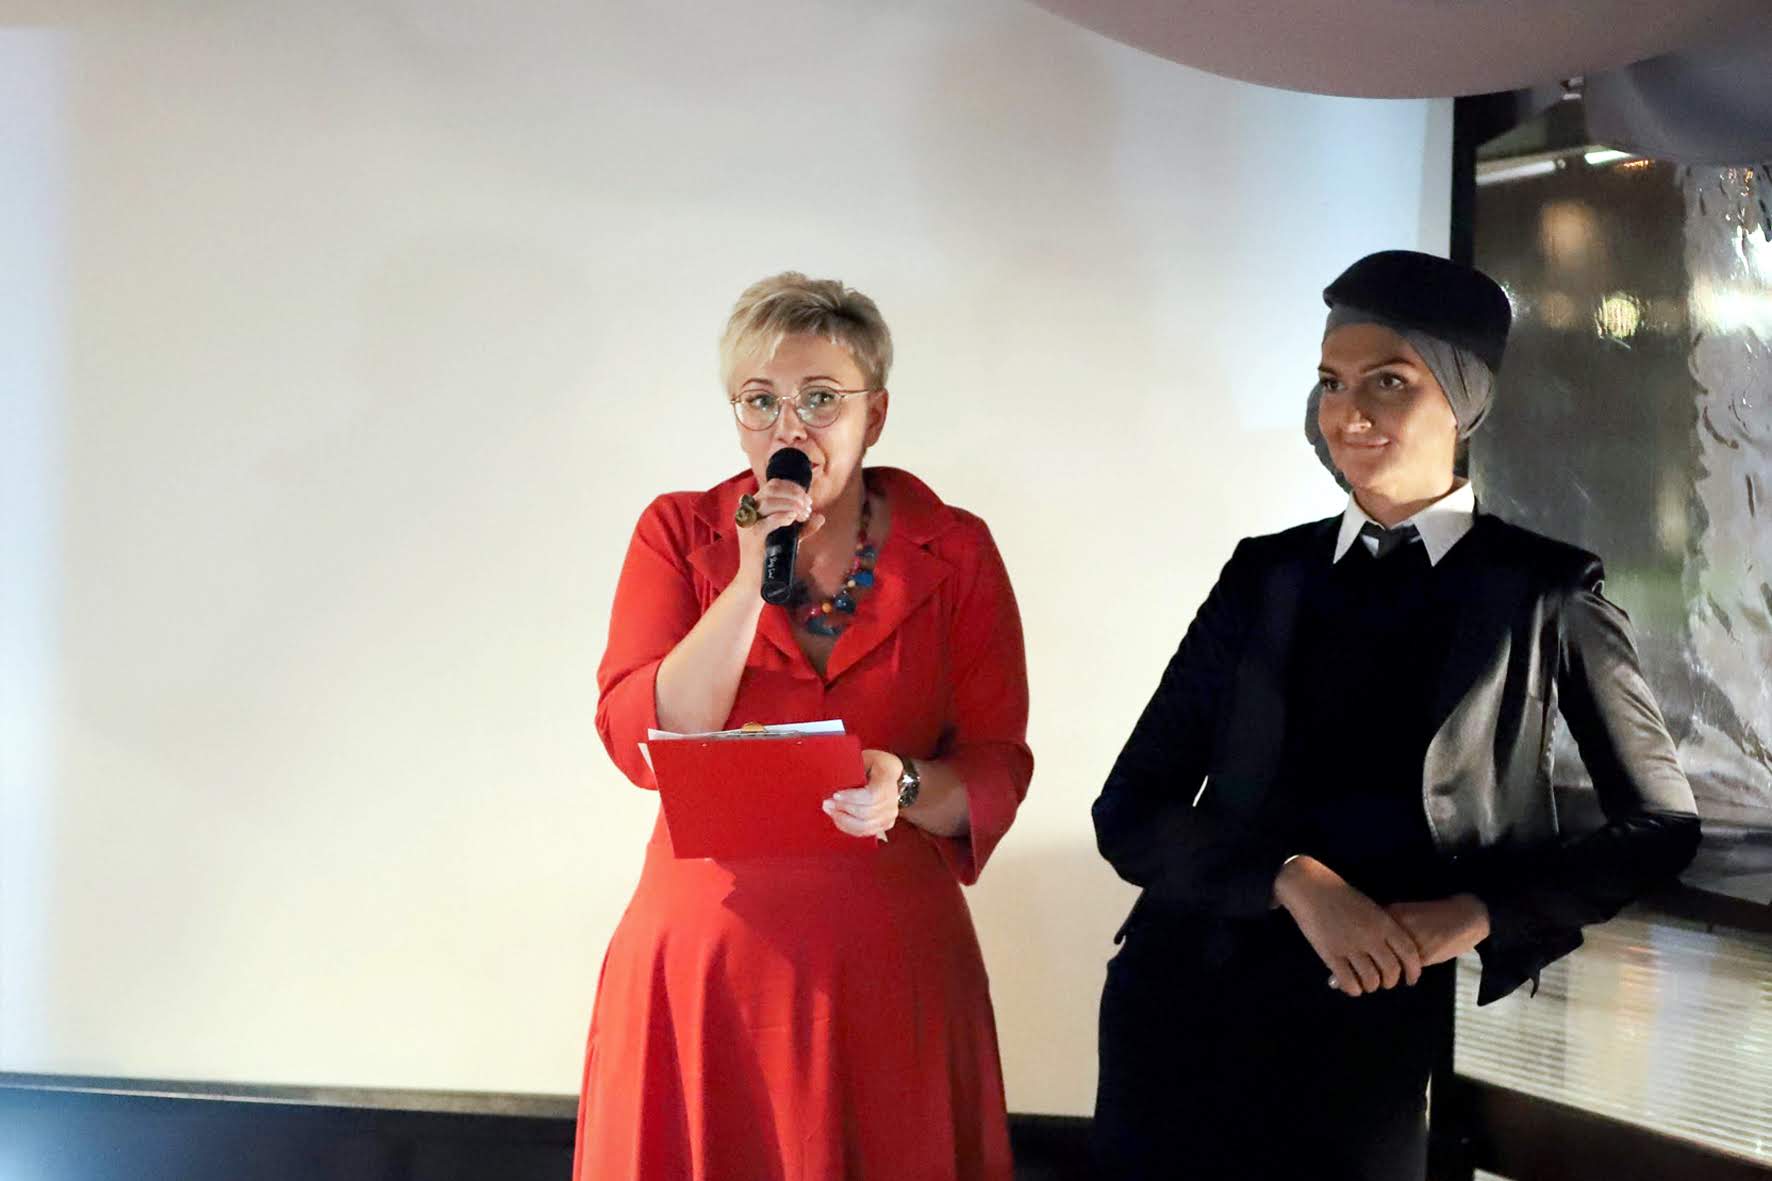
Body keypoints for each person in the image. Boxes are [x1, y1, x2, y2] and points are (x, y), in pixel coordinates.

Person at [1091, 250, 1701, 1180]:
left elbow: (1660, 824)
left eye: (1389, 381)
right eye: (1332, 382)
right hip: (1181, 1000)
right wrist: (1295, 879)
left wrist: (1478, 912)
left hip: (1374, 1028)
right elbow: (1129, 808)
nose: (1349, 412)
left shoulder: (1542, 592)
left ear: (1465, 397)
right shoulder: (1265, 574)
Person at [576, 272, 1033, 1181]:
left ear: (876, 413)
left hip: (890, 971)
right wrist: (750, 580)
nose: (789, 428)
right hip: (703, 972)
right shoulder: (679, 534)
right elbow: (645, 740)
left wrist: (904, 782)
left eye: (821, 399)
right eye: (760, 401)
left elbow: (994, 771)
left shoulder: (957, 549)